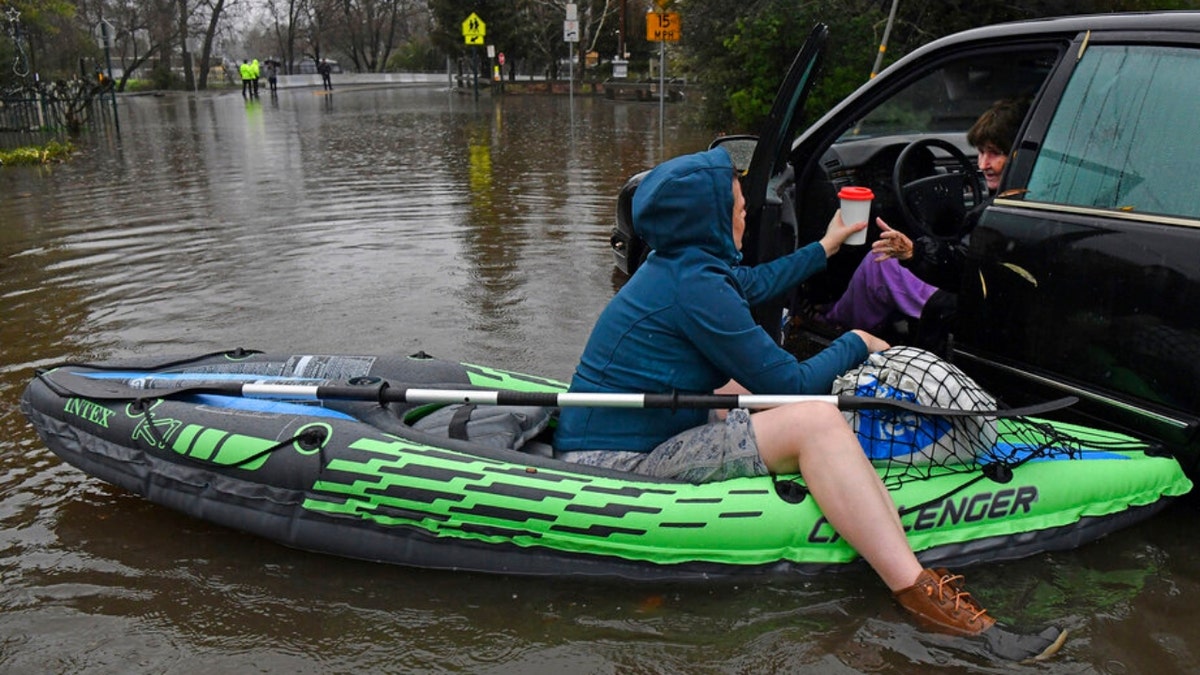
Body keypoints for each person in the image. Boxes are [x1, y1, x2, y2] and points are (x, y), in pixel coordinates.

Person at [554, 147, 1064, 660]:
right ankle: (924, 600)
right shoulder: (695, 286)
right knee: (815, 419)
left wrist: (828, 243)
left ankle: (864, 507)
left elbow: (752, 284)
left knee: (746, 391)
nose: (745, 211)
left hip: (635, 430)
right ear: (703, 217)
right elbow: (793, 387)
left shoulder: (682, 264)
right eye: (734, 204)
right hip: (620, 466)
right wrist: (858, 341)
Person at [821, 98, 1030, 350]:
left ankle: (833, 328)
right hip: (997, 300)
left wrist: (914, 252)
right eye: (981, 152)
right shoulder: (1031, 190)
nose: (983, 164)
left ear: (1019, 153)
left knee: (878, 263)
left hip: (965, 303)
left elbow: (960, 270)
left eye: (995, 153)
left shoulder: (999, 210)